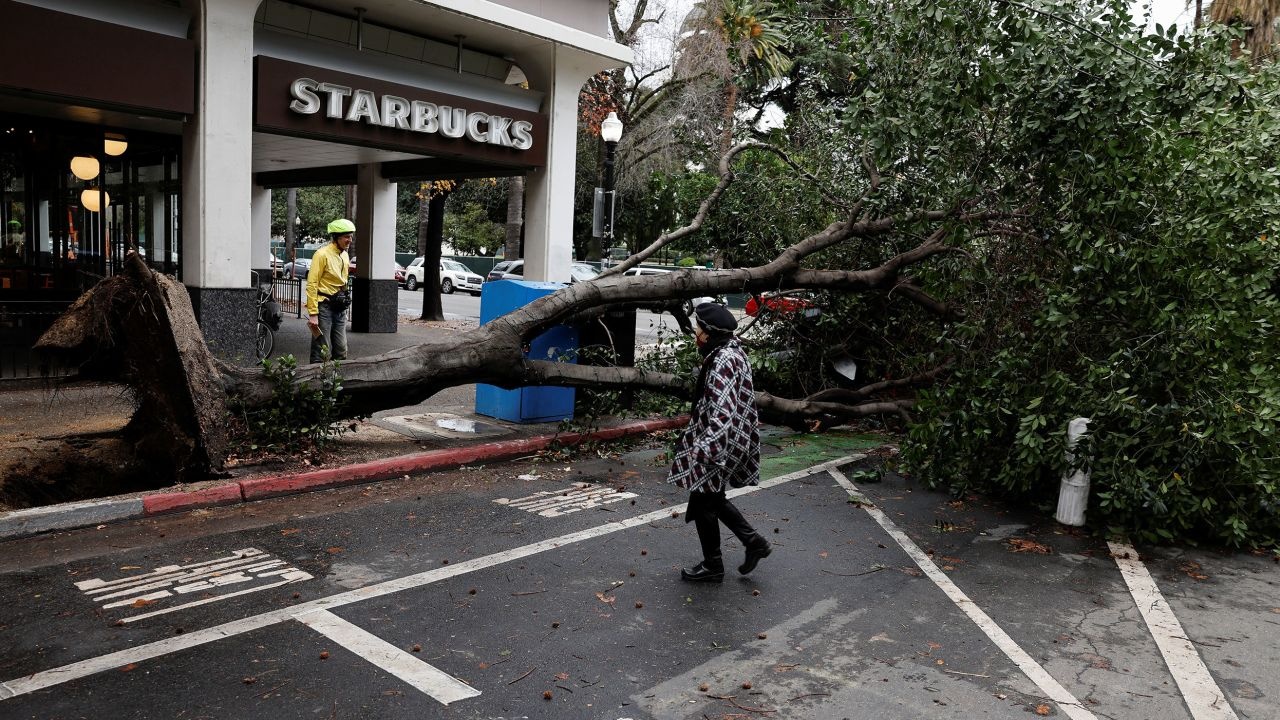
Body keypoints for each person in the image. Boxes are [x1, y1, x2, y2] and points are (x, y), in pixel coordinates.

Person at [668, 302, 770, 583]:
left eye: (698, 328)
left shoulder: (724, 359)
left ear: (709, 333)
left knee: (705, 501)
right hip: (729, 440)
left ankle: (715, 565)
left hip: (721, 443)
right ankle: (753, 544)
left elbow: (722, 410)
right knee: (709, 499)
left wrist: (708, 448)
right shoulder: (729, 351)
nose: (695, 333)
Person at [307, 218, 354, 363]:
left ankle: (335, 382)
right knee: (322, 350)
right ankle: (316, 381)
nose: (350, 240)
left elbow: (343, 281)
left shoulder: (345, 255)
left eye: (351, 236)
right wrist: (313, 313)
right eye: (347, 237)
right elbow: (312, 284)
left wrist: (344, 300)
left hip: (339, 308)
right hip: (324, 307)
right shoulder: (321, 255)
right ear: (336, 237)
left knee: (341, 349)